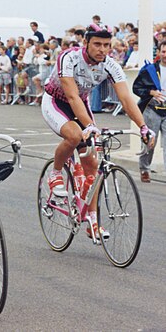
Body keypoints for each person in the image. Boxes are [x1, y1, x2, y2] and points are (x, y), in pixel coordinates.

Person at [41, 23, 155, 241]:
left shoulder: (111, 65)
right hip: (56, 101)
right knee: (75, 135)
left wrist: (142, 126)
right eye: (97, 44)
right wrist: (89, 126)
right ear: (86, 43)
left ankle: (92, 221)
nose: (102, 49)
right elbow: (72, 96)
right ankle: (55, 173)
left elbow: (126, 99)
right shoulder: (69, 58)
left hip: (80, 105)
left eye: (106, 45)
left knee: (93, 165)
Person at [133, 40, 166, 182]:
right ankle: (144, 169)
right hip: (152, 110)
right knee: (149, 142)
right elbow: (136, 88)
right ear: (158, 52)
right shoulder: (149, 70)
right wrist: (151, 92)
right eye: (164, 51)